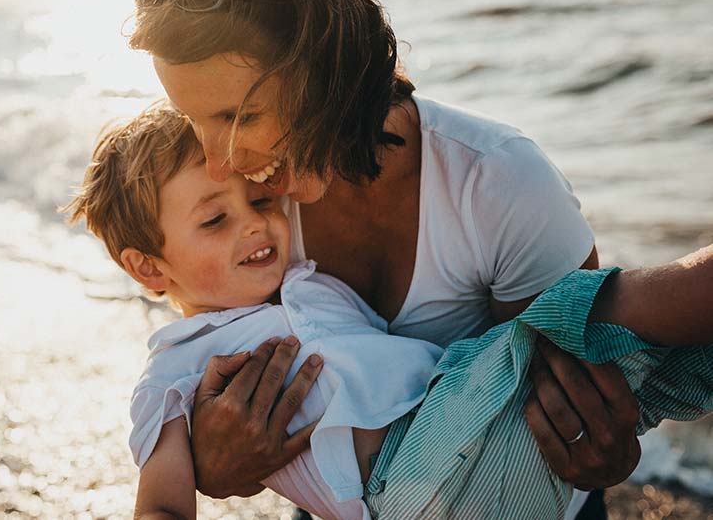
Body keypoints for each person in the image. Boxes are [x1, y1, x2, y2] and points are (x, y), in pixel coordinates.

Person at [129, 0, 640, 518]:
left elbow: (577, 400)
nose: (218, 161)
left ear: (330, 66)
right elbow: (211, 352)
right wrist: (214, 462)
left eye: (239, 115)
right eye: (192, 120)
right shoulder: (245, 209)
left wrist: (606, 450)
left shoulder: (498, 185)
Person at [66, 103, 713, 520]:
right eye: (214, 218)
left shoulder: (308, 283)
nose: (255, 224)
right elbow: (162, 505)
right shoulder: (175, 369)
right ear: (149, 268)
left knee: (665, 362)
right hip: (408, 478)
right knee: (594, 313)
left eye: (258, 201)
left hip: (479, 448)